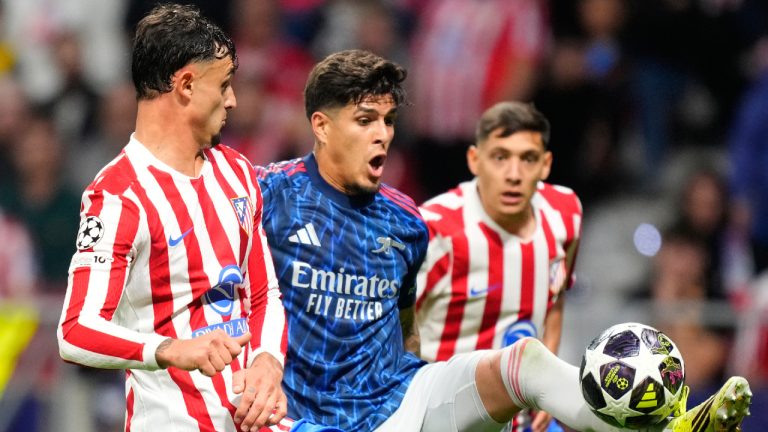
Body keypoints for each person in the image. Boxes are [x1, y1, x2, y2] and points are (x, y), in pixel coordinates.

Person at [256, 48, 752, 432]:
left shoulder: (404, 221)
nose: (382, 134)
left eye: (388, 121)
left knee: (525, 362)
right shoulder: (265, 195)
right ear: (320, 126)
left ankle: (665, 426)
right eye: (365, 121)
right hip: (300, 415)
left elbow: (404, 324)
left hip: (394, 403)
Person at [56, 5, 289, 431]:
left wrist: (268, 363)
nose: (233, 99)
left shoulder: (236, 171)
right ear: (185, 85)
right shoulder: (118, 195)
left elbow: (263, 293)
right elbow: (75, 330)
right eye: (224, 85)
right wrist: (171, 349)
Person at [415, 101, 579, 432]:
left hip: (525, 418)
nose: (514, 174)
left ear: (545, 165)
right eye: (501, 157)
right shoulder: (434, 227)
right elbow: (392, 328)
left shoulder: (566, 213)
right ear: (475, 160)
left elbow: (555, 298)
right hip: (445, 418)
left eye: (528, 159)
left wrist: (544, 386)